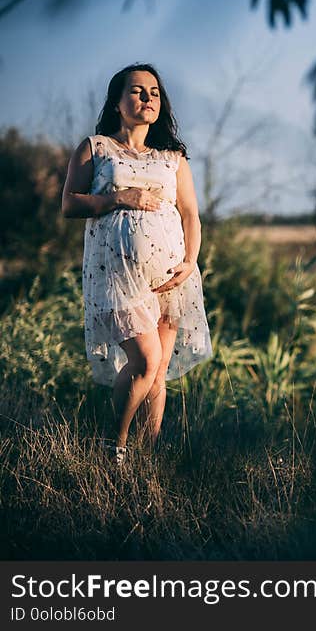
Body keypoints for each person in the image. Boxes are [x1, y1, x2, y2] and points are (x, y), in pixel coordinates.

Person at [61, 63, 212, 466]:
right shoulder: (96, 147)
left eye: (155, 93)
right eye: (138, 90)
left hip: (169, 275)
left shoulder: (173, 158)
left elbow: (191, 216)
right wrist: (117, 199)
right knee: (144, 360)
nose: (148, 98)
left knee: (158, 372)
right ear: (117, 101)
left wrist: (190, 262)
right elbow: (70, 203)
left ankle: (144, 463)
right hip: (115, 274)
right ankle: (116, 448)